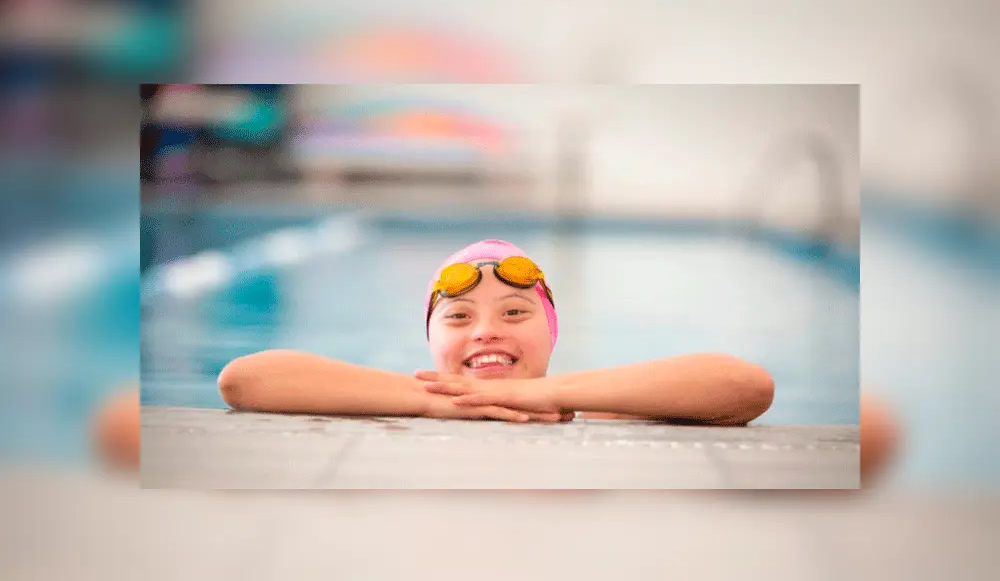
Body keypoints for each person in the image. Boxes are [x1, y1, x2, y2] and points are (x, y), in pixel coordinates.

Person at [215, 239, 775, 425]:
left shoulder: (594, 407)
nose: (485, 332)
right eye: (458, 317)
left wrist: (542, 393)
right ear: (431, 341)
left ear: (551, 334)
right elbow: (244, 380)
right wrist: (437, 405)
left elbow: (744, 385)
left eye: (514, 313)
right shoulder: (405, 402)